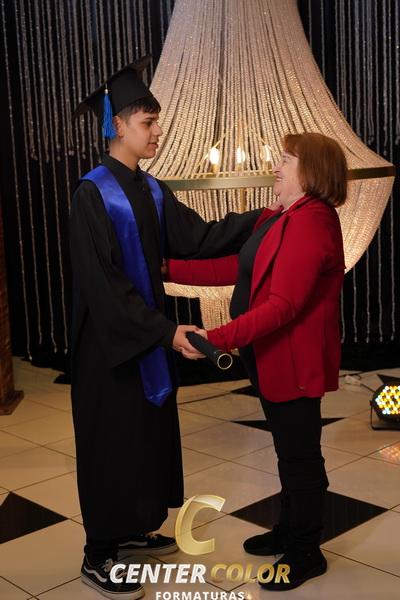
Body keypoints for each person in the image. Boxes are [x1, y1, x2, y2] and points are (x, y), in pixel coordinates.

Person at [69, 56, 262, 599]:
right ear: (118, 124)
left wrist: (262, 216)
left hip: (146, 338)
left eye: (157, 122)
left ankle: (133, 530)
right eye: (148, 122)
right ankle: (98, 553)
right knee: (112, 443)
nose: (158, 132)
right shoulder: (91, 195)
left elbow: (198, 239)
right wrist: (164, 332)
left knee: (143, 439)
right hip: (108, 348)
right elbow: (105, 289)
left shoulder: (152, 190)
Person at [167, 132, 347, 591]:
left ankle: (306, 551)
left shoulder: (312, 221)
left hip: (294, 362)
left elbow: (283, 306)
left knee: (300, 456)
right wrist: (165, 271)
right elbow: (236, 267)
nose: (276, 168)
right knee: (288, 451)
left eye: (286, 160)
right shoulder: (284, 216)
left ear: (312, 172)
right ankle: (288, 531)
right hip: (270, 357)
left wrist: (216, 338)